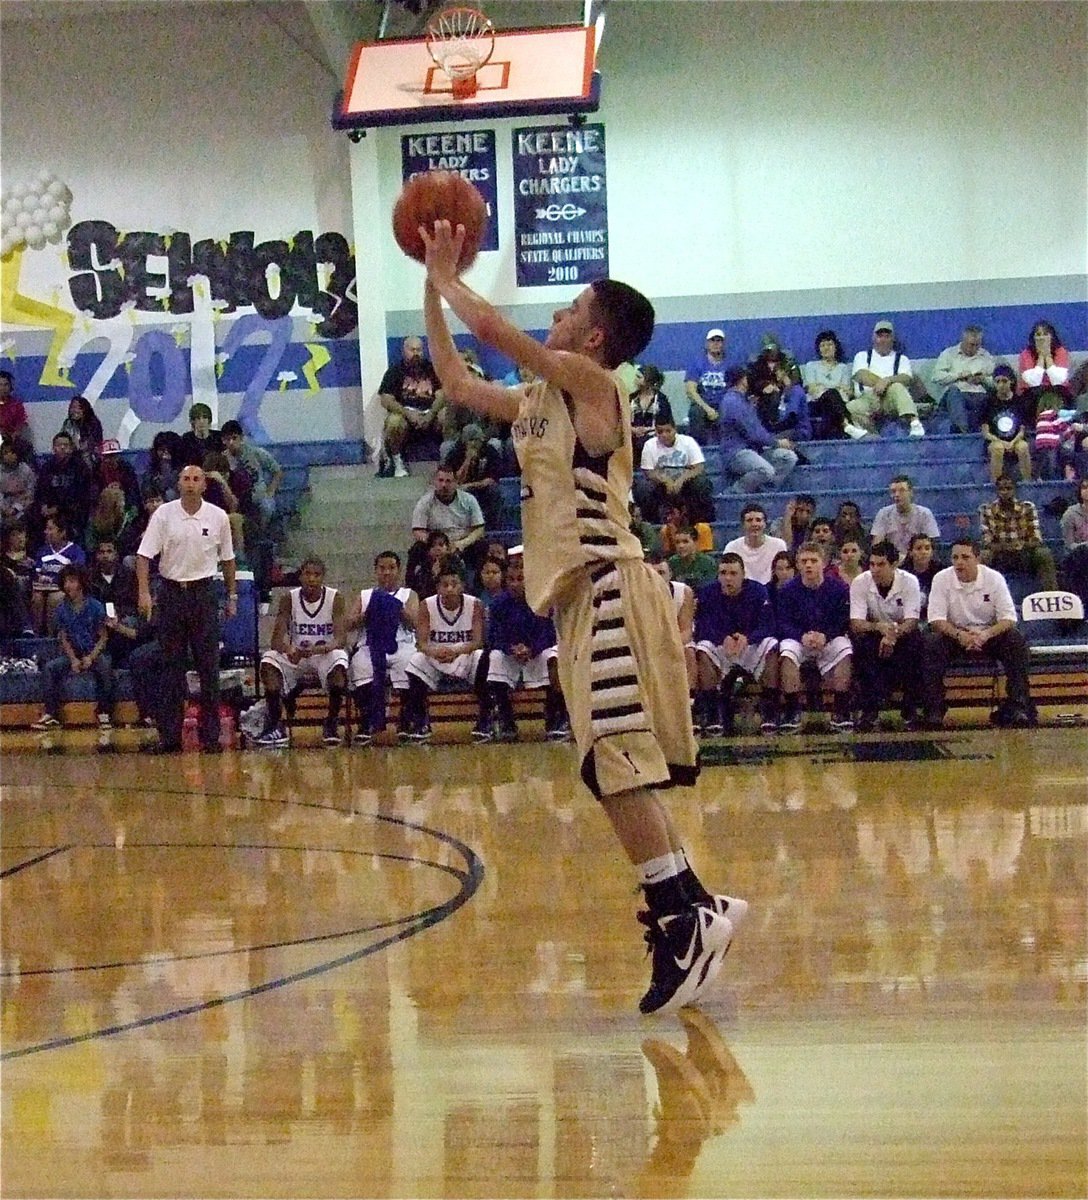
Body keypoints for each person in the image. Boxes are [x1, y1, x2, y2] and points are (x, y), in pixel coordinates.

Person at [419, 218, 745, 1015]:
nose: (555, 318)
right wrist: (432, 289)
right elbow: (458, 380)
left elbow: (492, 329)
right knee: (621, 765)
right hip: (577, 595)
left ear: (592, 337)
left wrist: (446, 270)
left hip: (606, 582)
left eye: (568, 310)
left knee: (613, 765)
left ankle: (681, 919)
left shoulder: (599, 387)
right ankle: (696, 902)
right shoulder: (538, 400)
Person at [135, 464, 237, 754]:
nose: (191, 484)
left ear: (204, 485)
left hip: (203, 593)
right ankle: (169, 737)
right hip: (171, 594)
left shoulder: (218, 517)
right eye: (186, 479)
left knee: (209, 667)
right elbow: (143, 556)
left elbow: (228, 560)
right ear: (178, 484)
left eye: (196, 479)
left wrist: (231, 596)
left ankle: (211, 737)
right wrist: (144, 592)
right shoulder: (164, 514)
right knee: (171, 668)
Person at [919, 537, 1035, 729]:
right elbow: (936, 619)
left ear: (978, 559)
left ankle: (1018, 707)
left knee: (1016, 640)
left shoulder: (994, 578)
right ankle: (934, 710)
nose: (959, 562)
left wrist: (985, 634)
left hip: (989, 634)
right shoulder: (941, 578)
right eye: (955, 557)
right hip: (955, 635)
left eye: (965, 557)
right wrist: (959, 635)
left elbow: (1008, 618)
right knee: (931, 643)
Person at [256, 556, 349, 748]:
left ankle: (331, 722)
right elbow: (275, 641)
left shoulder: (335, 598)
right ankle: (275, 723)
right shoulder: (288, 598)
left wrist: (320, 649)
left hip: (323, 654)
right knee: (268, 661)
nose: (312, 579)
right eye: (308, 574)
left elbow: (340, 639)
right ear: (300, 577)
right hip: (297, 655)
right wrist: (289, 649)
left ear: (323, 577)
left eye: (317, 575)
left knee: (339, 661)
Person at [401, 557, 490, 742]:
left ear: (462, 586)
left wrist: (456, 651)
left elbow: (478, 641)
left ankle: (485, 718)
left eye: (454, 584)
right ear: (438, 587)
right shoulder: (427, 604)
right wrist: (434, 652)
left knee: (482, 656)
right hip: (436, 654)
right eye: (444, 584)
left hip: (465, 652)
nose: (449, 588)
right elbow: (421, 643)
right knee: (416, 661)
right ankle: (421, 720)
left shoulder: (475, 604)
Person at [483, 553, 568, 742]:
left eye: (520, 579)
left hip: (537, 651)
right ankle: (506, 719)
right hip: (512, 653)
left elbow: (549, 633)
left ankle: (556, 715)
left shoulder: (541, 601)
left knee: (552, 658)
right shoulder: (498, 604)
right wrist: (511, 648)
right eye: (511, 580)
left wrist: (531, 649)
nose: (515, 584)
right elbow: (494, 636)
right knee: (495, 658)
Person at [693, 553, 780, 735]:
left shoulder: (758, 591)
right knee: (701, 648)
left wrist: (748, 637)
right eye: (723, 573)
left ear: (743, 575)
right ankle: (712, 713)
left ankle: (770, 712)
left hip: (749, 644)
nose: (728, 578)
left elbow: (768, 625)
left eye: (733, 573)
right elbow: (701, 626)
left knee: (771, 645)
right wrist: (721, 637)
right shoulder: (708, 593)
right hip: (721, 645)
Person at [774, 542, 853, 733]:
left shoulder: (839, 588)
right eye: (804, 561)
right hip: (800, 639)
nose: (808, 565)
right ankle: (792, 710)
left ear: (823, 563)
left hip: (828, 638)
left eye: (813, 561)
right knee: (787, 651)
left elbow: (843, 619)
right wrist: (801, 636)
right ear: (798, 565)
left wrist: (826, 635)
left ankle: (841, 710)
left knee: (845, 649)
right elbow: (782, 622)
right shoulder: (786, 590)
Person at [30, 564, 116, 733]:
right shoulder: (61, 609)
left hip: (94, 651)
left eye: (72, 581)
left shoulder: (95, 606)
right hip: (74, 652)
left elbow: (103, 637)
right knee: (49, 668)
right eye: (66, 581)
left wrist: (91, 657)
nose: (68, 585)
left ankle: (104, 712)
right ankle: (51, 713)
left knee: (105, 667)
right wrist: (73, 659)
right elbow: (63, 638)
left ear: (81, 583)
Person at [848, 539, 923, 730]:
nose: (875, 569)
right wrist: (879, 628)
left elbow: (912, 620)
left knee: (916, 644)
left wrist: (893, 635)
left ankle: (910, 708)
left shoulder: (909, 581)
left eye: (881, 564)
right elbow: (856, 623)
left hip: (902, 633)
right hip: (874, 632)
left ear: (894, 564)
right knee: (861, 645)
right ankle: (870, 710)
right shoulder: (860, 582)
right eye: (872, 564)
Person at [347, 550, 421, 744]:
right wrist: (367, 613)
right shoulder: (365, 595)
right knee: (361, 665)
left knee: (411, 664)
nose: (386, 572)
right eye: (382, 568)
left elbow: (415, 624)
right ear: (375, 571)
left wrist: (395, 606)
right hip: (369, 645)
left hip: (401, 644)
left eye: (391, 568)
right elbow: (348, 624)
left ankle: (406, 719)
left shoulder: (408, 594)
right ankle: (366, 721)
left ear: (399, 570)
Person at [717, 366, 798, 493]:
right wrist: (778, 442)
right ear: (743, 380)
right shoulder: (732, 401)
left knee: (788, 457)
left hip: (753, 450)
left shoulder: (743, 401)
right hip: (736, 452)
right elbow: (753, 433)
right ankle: (732, 493)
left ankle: (764, 491)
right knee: (765, 470)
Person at [378, 335, 445, 478]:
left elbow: (441, 395)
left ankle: (448, 462)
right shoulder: (395, 371)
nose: (416, 353)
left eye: (419, 350)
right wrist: (407, 414)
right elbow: (386, 399)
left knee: (446, 416)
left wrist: (430, 414)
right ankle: (397, 462)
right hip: (406, 415)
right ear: (404, 351)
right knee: (393, 422)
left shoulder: (432, 369)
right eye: (412, 349)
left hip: (430, 413)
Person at [978, 474, 1057, 592]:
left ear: (1015, 490)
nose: (1005, 492)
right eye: (1001, 489)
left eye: (1008, 489)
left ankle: (1051, 596)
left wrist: (1020, 546)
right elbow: (986, 541)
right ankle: (982, 597)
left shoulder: (1028, 507)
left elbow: (1036, 538)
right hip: (999, 555)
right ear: (997, 491)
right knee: (983, 556)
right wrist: (1005, 547)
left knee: (1043, 553)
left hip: (1024, 554)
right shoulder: (987, 509)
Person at [849, 320, 925, 437]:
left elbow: (907, 378)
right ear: (873, 338)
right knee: (848, 409)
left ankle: (915, 424)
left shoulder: (902, 359)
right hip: (868, 399)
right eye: (880, 336)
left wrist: (888, 381)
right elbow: (861, 375)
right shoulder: (862, 356)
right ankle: (873, 437)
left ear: (892, 339)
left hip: (890, 400)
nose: (883, 340)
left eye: (887, 336)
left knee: (897, 387)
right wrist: (881, 383)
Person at [634, 417, 715, 524]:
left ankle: (700, 522)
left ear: (675, 430)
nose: (664, 435)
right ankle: (652, 522)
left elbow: (698, 467)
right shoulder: (649, 445)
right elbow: (648, 472)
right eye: (660, 432)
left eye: (668, 431)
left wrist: (681, 480)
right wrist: (666, 481)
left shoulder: (688, 442)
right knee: (642, 487)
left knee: (702, 484)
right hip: (661, 485)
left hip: (686, 483)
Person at [411, 464, 486, 577]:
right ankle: (414, 586)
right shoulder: (424, 502)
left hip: (462, 543)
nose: (444, 485)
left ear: (455, 483)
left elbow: (479, 528)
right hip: (436, 543)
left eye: (448, 481)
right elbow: (418, 531)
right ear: (434, 482)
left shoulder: (469, 500)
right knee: (416, 549)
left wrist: (462, 544)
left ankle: (478, 585)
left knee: (481, 547)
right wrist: (436, 545)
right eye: (440, 480)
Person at [801, 330, 868, 440]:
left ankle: (841, 433)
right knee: (832, 394)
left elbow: (848, 392)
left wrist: (823, 386)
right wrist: (835, 388)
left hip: (838, 404)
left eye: (829, 344)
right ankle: (848, 426)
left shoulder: (843, 368)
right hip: (816, 404)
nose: (826, 348)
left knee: (831, 406)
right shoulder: (811, 366)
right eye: (822, 345)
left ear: (836, 347)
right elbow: (813, 390)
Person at [929, 325, 995, 433]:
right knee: (954, 392)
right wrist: (959, 376)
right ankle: (962, 431)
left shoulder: (986, 356)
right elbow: (936, 376)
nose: (974, 348)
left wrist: (983, 379)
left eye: (977, 345)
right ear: (963, 341)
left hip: (978, 394)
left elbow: (995, 382)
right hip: (955, 394)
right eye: (971, 345)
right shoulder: (948, 354)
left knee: (988, 399)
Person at [33, 430, 94, 540]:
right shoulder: (47, 467)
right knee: (31, 514)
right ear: (53, 448)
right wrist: (43, 505)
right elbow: (40, 490)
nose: (62, 448)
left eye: (65, 445)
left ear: (71, 448)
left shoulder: (80, 467)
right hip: (49, 510)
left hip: (71, 510)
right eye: (58, 445)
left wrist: (58, 508)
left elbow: (81, 495)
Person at [441, 422, 503, 529]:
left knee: (495, 491)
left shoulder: (489, 451)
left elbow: (491, 480)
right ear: (464, 442)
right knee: (459, 493)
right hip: (463, 489)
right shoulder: (456, 453)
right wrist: (467, 460)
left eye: (476, 440)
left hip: (482, 488)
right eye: (470, 440)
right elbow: (455, 480)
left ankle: (493, 526)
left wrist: (470, 485)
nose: (474, 443)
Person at [31, 514, 86, 633]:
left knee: (55, 598)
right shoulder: (43, 550)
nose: (46, 532)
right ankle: (36, 634)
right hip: (43, 588)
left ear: (62, 532)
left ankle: (52, 637)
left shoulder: (75, 551)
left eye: (50, 529)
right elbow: (36, 571)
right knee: (37, 598)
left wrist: (56, 581)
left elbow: (77, 572)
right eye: (46, 529)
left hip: (64, 588)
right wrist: (40, 577)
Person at [980, 364, 1033, 482]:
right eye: (997, 381)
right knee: (997, 448)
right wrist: (1002, 442)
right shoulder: (988, 403)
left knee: (1023, 446)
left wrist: (1012, 442)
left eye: (1004, 381)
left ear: (1011, 382)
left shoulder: (1019, 401)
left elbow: (1022, 430)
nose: (1001, 385)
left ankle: (1028, 482)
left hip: (1016, 439)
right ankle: (996, 484)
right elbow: (986, 432)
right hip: (995, 440)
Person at [870, 475, 941, 559]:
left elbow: (932, 544)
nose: (896, 495)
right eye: (893, 491)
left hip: (917, 560)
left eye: (902, 490)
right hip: (892, 561)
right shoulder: (884, 514)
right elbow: (877, 545)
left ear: (911, 492)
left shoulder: (924, 514)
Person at [1017, 320, 1072, 427]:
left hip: (1057, 391)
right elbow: (1034, 382)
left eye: (1045, 334)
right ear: (1033, 338)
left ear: (1052, 337)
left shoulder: (1061, 351)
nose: (1042, 338)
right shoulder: (1026, 354)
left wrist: (1048, 356)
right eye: (1038, 335)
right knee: (1035, 393)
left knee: (1059, 392)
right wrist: (1041, 357)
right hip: (1033, 394)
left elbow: (1058, 380)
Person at [723, 503, 788, 585]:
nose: (754, 524)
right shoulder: (732, 547)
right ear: (743, 524)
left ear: (765, 524)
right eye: (749, 520)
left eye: (758, 520)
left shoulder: (779, 545)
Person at [683, 328, 729, 444]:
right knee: (695, 412)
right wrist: (707, 409)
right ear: (707, 343)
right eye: (712, 340)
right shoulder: (697, 363)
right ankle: (699, 449)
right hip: (702, 404)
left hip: (723, 403)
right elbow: (691, 390)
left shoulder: (730, 364)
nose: (716, 343)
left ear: (723, 344)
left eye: (719, 341)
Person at [629, 364, 673, 458]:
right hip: (632, 436)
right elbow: (622, 421)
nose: (635, 380)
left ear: (648, 380)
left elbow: (667, 422)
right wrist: (633, 430)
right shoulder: (631, 398)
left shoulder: (661, 399)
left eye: (639, 377)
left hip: (654, 436)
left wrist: (647, 430)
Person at [1059, 476, 1088, 607]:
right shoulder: (1070, 514)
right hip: (1077, 556)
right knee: (1082, 553)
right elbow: (1069, 545)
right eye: (1084, 487)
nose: (1087, 491)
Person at [904, 533, 942, 622]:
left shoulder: (941, 572)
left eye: (927, 548)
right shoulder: (902, 573)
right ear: (910, 552)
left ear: (932, 552)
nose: (923, 552)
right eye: (918, 548)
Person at [59, 394, 104, 468]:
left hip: (89, 457)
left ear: (85, 409)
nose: (74, 410)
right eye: (72, 407)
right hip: (71, 456)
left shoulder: (93, 423)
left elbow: (93, 443)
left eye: (78, 408)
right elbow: (63, 439)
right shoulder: (68, 423)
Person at [0, 438, 36, 526]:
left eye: (12, 452)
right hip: (2, 506)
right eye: (6, 453)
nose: (9, 455)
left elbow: (30, 492)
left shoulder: (26, 470)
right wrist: (4, 509)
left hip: (22, 507)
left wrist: (16, 508)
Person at [178, 402, 224, 467]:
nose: (201, 421)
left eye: (205, 417)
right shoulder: (186, 440)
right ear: (192, 421)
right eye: (198, 418)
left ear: (209, 420)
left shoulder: (218, 437)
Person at [143, 430, 183, 500]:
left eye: (169, 450)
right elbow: (147, 491)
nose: (165, 453)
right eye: (161, 450)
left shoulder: (184, 470)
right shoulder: (151, 471)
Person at [0, 370, 32, 456]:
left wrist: (12, 437)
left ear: (10, 387)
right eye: (0, 385)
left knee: (26, 447)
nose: (3, 388)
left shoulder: (16, 404)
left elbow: (20, 424)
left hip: (12, 439)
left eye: (6, 384)